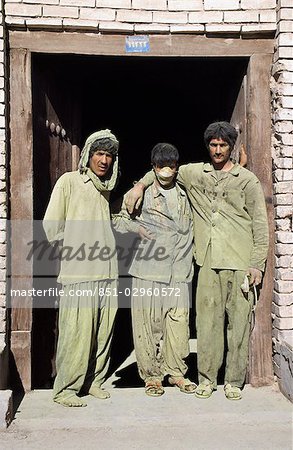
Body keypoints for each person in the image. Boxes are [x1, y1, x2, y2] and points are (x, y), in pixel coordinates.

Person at [125, 122, 269, 400]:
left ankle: (234, 381)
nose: (217, 150)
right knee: (206, 325)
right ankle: (207, 380)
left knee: (237, 325)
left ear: (231, 147)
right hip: (205, 261)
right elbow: (162, 170)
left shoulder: (247, 180)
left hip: (239, 261)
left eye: (223, 145)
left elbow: (260, 225)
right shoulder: (195, 173)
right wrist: (140, 186)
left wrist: (256, 264)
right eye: (213, 145)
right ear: (208, 147)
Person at [43, 129, 120, 407]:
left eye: (109, 155)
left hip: (108, 273)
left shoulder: (106, 188)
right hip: (79, 274)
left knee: (103, 333)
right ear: (88, 154)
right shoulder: (69, 181)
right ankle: (65, 389)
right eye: (99, 154)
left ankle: (94, 382)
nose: (104, 160)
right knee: (76, 334)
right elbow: (51, 226)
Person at [113, 143, 196, 397]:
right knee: (148, 325)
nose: (166, 171)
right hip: (147, 268)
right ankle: (152, 376)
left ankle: (177, 373)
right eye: (161, 167)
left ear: (177, 167)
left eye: (171, 166)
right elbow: (115, 216)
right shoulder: (140, 194)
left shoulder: (188, 192)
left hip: (180, 268)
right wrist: (134, 229)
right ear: (154, 167)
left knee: (179, 324)